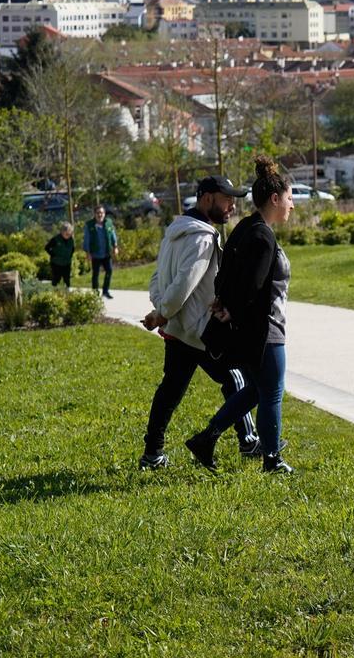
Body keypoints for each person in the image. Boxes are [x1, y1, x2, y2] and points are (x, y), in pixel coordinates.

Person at [138, 176, 261, 470]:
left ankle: (152, 454)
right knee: (237, 377)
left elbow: (158, 278)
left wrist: (161, 309)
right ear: (207, 199)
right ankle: (248, 441)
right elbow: (183, 284)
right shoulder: (203, 237)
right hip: (200, 331)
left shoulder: (175, 231)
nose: (232, 205)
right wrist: (162, 312)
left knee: (170, 390)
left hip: (179, 330)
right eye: (227, 199)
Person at [186, 156, 295, 474]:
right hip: (265, 331)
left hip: (248, 329)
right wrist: (231, 309)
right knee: (272, 392)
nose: (292, 205)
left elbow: (225, 275)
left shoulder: (245, 227)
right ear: (274, 199)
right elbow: (252, 287)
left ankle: (206, 438)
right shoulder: (263, 236)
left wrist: (224, 303)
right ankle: (272, 459)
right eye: (289, 199)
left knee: (256, 390)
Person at [83, 206, 118, 299]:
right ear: (94, 214)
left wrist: (115, 246)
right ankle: (95, 293)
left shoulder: (108, 223)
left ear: (104, 214)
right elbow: (86, 239)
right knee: (95, 274)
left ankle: (105, 291)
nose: (100, 215)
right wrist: (88, 253)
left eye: (101, 213)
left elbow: (113, 235)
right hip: (95, 254)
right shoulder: (89, 225)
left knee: (109, 271)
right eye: (98, 213)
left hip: (106, 253)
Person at [45, 222, 75, 288]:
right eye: (66, 232)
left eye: (69, 232)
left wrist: (69, 256)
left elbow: (72, 249)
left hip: (67, 263)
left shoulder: (71, 240)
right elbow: (47, 248)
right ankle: (54, 295)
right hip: (56, 263)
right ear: (62, 231)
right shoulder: (55, 239)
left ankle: (67, 293)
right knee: (56, 280)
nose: (68, 234)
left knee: (67, 280)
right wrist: (53, 255)